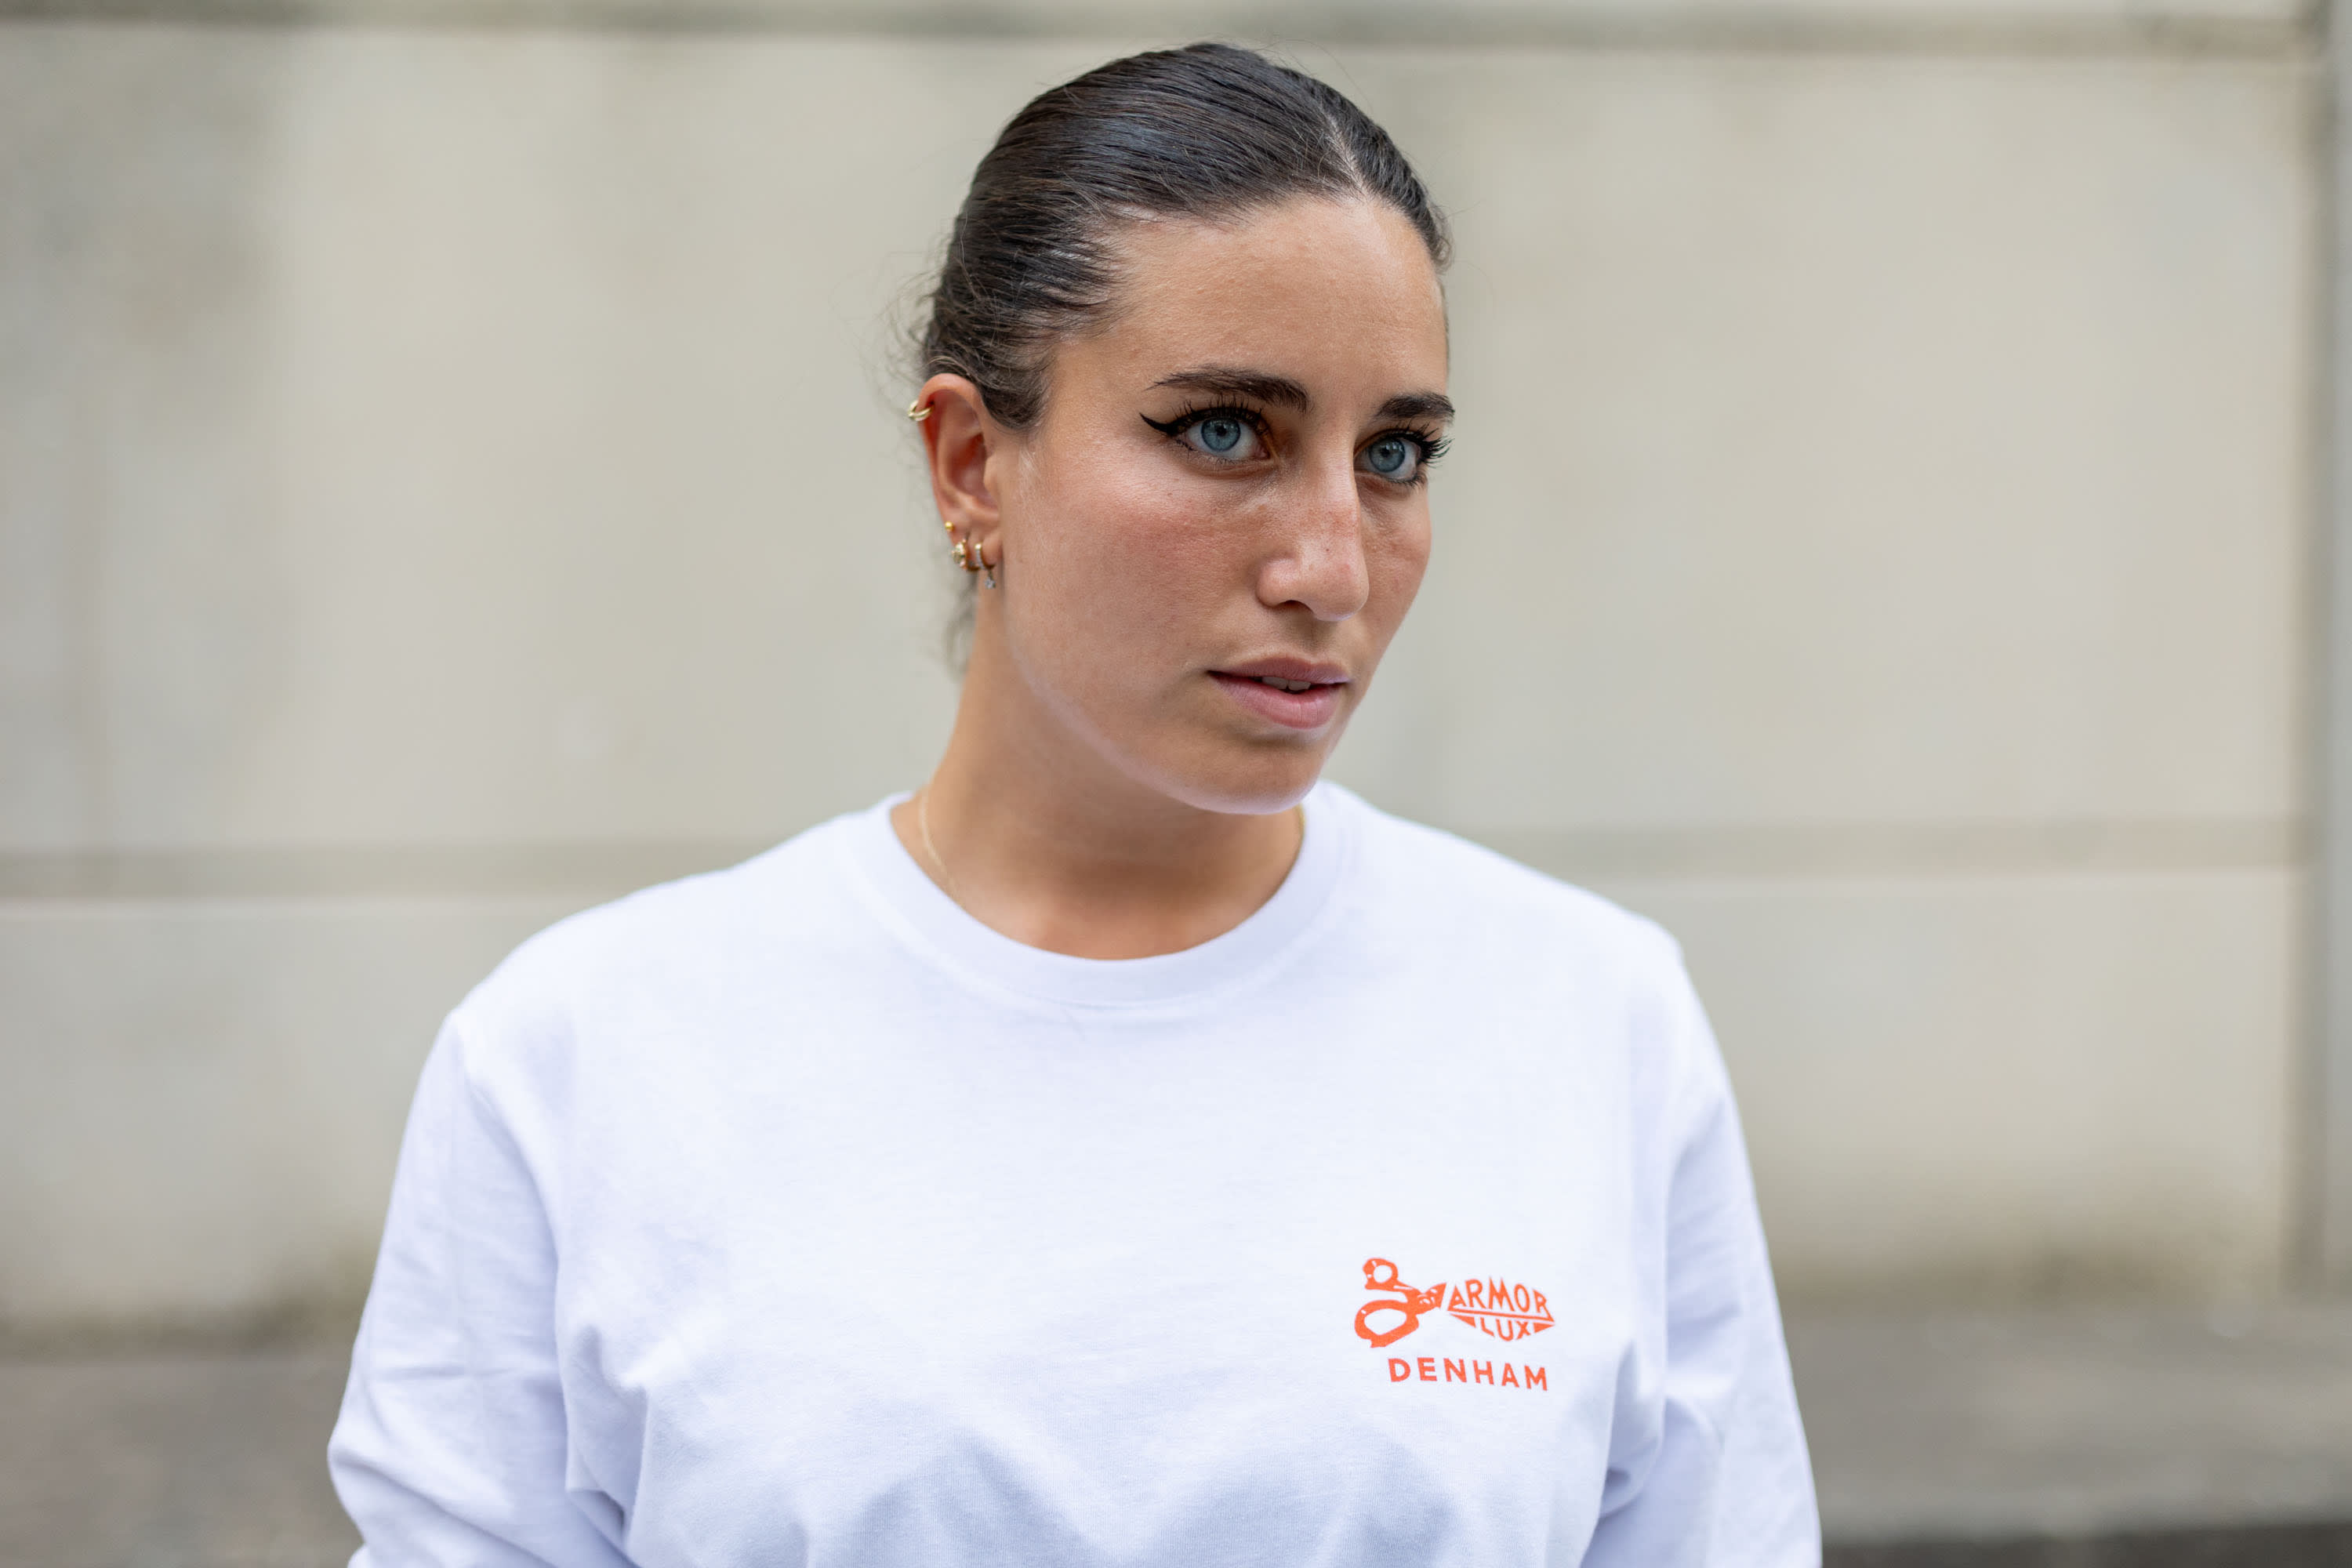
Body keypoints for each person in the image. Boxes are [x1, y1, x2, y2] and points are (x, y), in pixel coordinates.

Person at [328, 42, 1819, 1567]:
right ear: (974, 463)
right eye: (1225, 430)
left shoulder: (1588, 1018)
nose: (1332, 567)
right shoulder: (588, 1058)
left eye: (1395, 454)